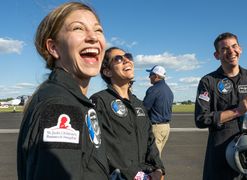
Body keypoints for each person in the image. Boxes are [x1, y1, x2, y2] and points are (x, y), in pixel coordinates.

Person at [16, 2, 109, 180]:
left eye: (98, 30)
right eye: (78, 28)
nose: (93, 37)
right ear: (54, 48)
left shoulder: (70, 98)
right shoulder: (61, 106)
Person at [194, 32, 247, 180]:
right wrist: (238, 111)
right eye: (224, 49)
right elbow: (201, 118)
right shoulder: (208, 82)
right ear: (217, 55)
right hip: (220, 157)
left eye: (234, 46)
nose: (231, 51)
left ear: (240, 49)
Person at [90, 47, 164, 180]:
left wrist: (158, 168)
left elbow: (150, 139)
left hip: (146, 174)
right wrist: (138, 176)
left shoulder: (138, 104)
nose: (126, 60)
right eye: (118, 59)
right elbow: (106, 147)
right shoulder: (100, 101)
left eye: (128, 57)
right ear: (107, 71)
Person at [143, 65, 174, 157]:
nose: (149, 77)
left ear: (156, 76)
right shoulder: (168, 90)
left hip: (156, 128)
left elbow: (144, 108)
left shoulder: (153, 89)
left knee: (153, 158)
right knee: (157, 155)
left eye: (150, 74)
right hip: (166, 127)